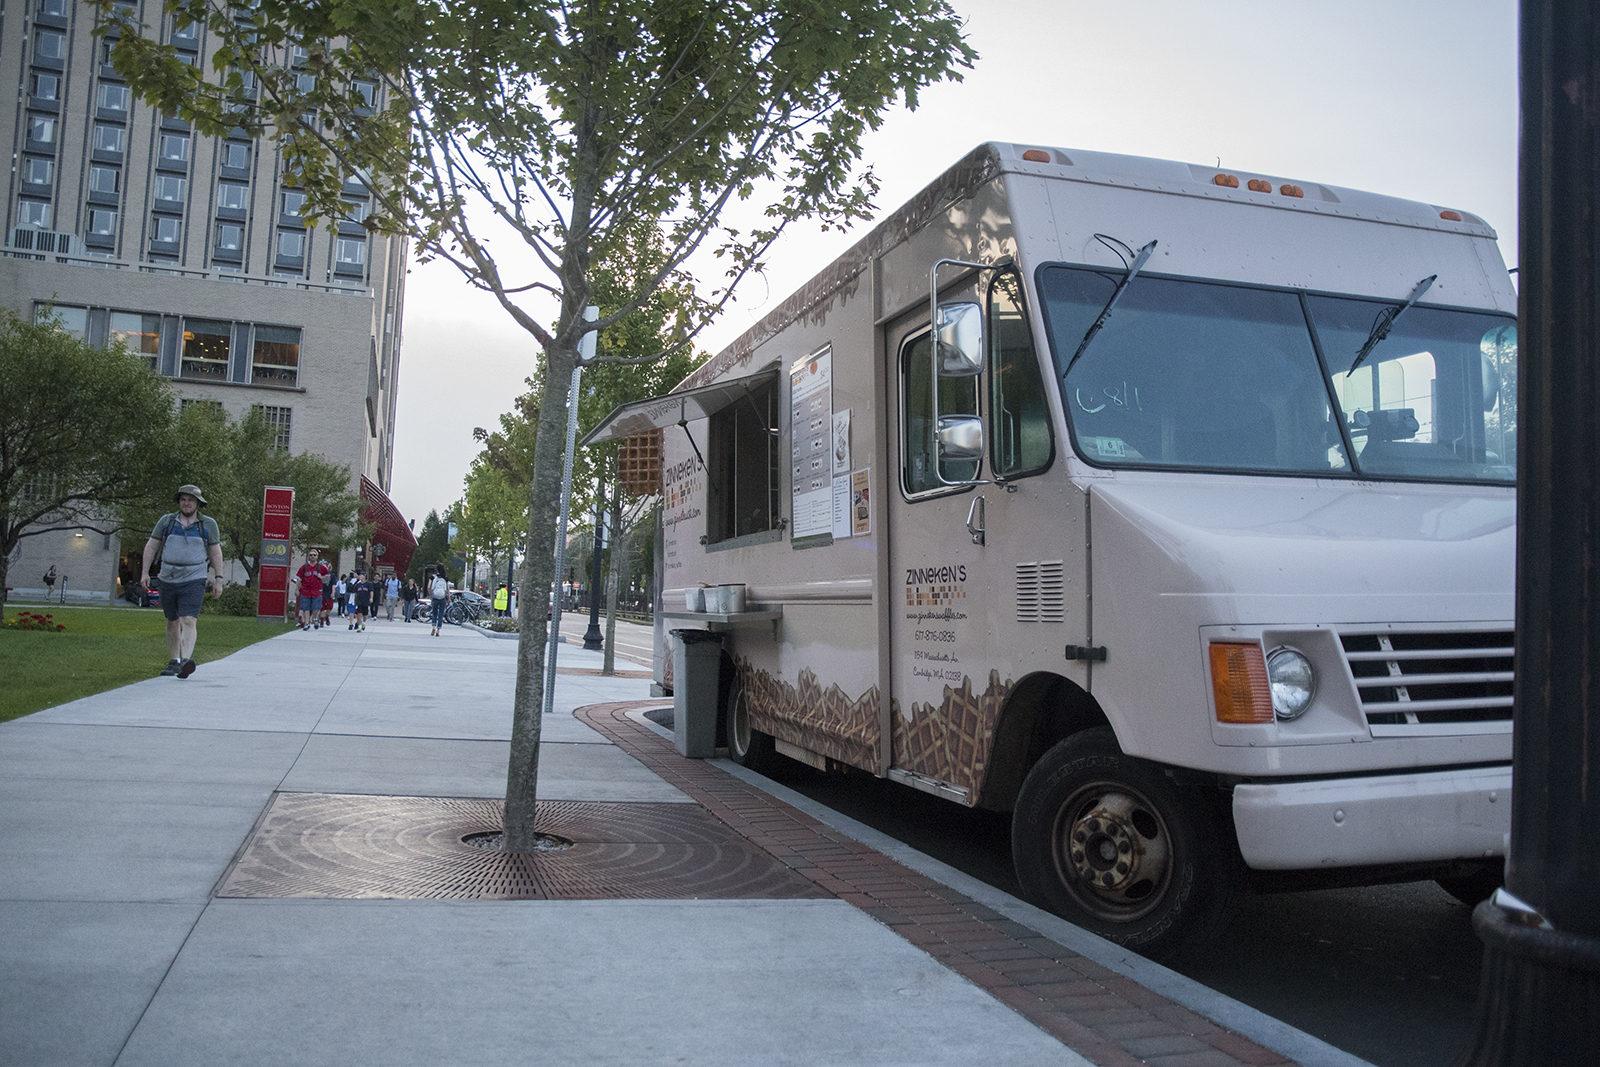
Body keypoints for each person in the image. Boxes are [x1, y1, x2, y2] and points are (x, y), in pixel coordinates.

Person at [140, 484, 224, 678]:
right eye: (183, 500)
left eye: (191, 500)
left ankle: (185, 661)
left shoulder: (208, 524)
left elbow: (215, 552)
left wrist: (218, 578)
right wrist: (145, 572)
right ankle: (174, 661)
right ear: (179, 502)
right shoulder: (166, 521)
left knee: (188, 619)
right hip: (168, 577)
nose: (187, 503)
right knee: (172, 620)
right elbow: (151, 546)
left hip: (194, 577)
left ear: (198, 504)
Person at [291, 548, 330, 630]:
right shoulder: (304, 567)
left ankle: (315, 618)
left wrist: (321, 577)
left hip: (317, 591)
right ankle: (307, 623)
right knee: (306, 608)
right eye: (311, 555)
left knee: (316, 608)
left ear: (317, 557)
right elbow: (299, 579)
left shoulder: (321, 567)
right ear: (308, 556)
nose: (312, 556)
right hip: (305, 591)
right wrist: (296, 589)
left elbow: (327, 579)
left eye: (314, 555)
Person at [427, 566, 449, 636]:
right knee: (441, 614)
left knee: (434, 613)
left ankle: (433, 627)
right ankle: (438, 630)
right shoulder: (445, 578)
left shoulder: (433, 577)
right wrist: (448, 598)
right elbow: (447, 590)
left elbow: (428, 587)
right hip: (442, 598)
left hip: (435, 597)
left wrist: (431, 595)